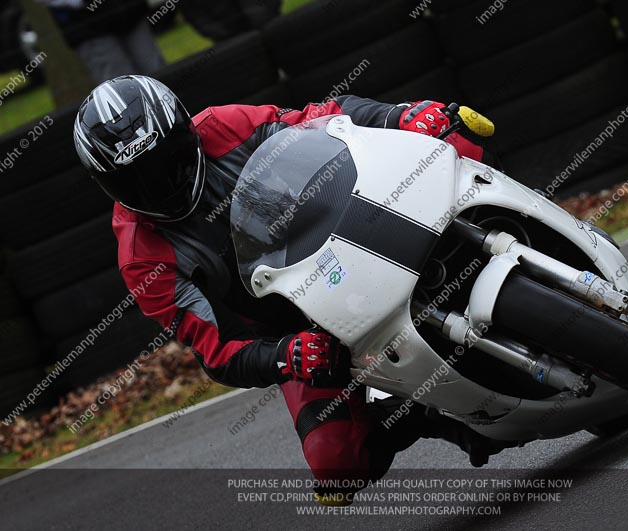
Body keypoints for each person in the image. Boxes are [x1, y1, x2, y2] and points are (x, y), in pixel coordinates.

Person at [73, 75, 497, 505]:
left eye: (171, 161)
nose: (163, 185)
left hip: (344, 236)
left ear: (188, 132)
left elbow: (323, 120)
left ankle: (513, 227)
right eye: (138, 181)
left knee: (455, 133)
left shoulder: (224, 126)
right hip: (295, 327)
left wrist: (398, 116)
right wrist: (284, 355)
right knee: (335, 463)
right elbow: (216, 351)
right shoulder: (142, 258)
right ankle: (425, 415)